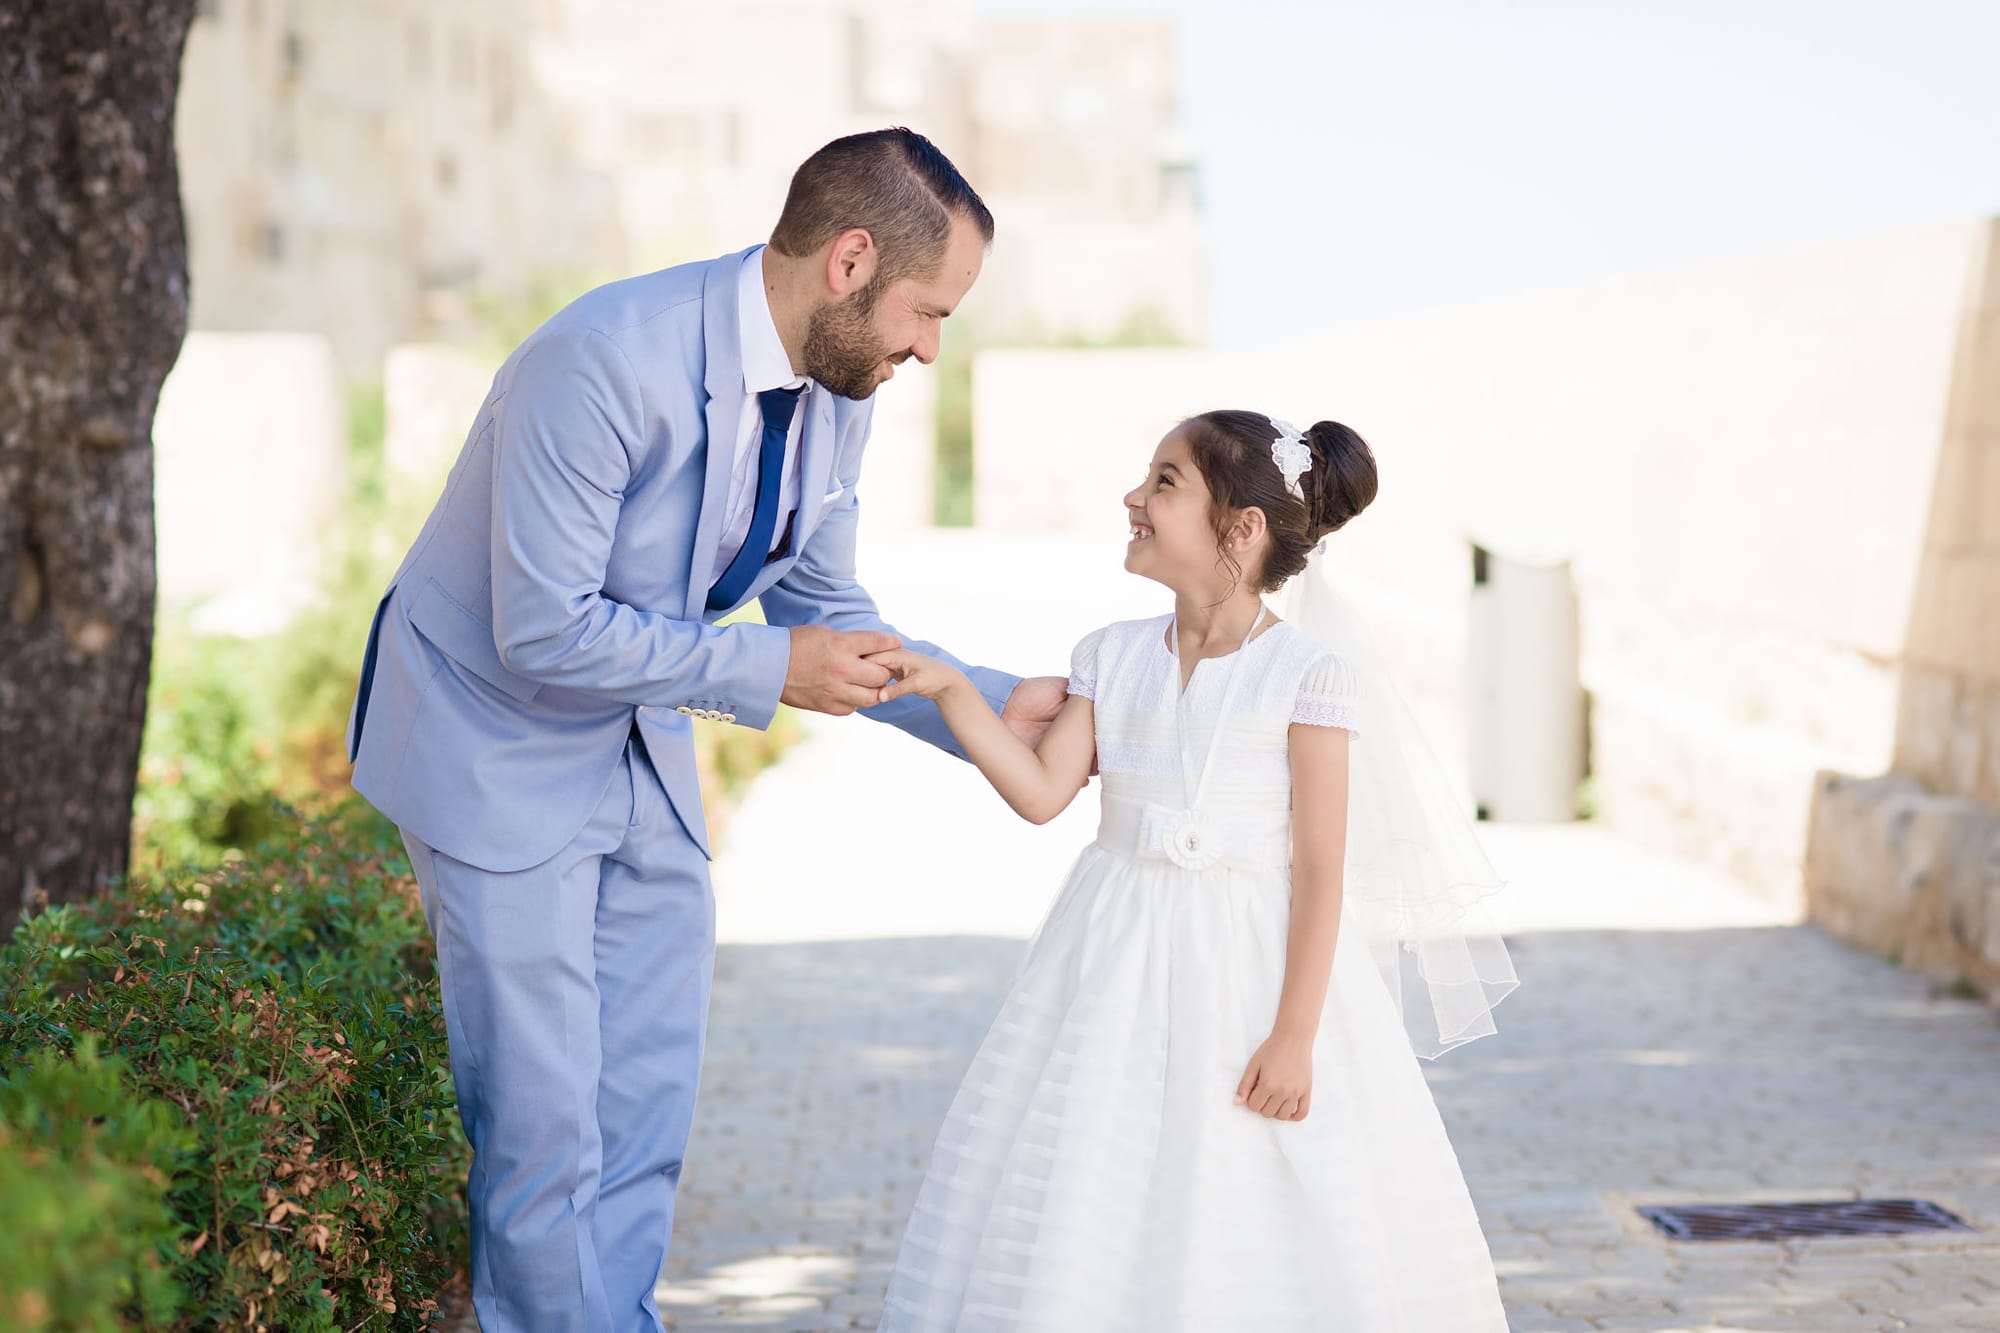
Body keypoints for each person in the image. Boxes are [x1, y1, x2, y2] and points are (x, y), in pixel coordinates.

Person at [341, 128, 1068, 1333]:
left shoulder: (839, 395)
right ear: (848, 262)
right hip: (492, 741)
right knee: (541, 1129)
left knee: (640, 1116)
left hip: (642, 747)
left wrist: (981, 696)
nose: (929, 349)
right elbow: (545, 630)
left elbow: (823, 611)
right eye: (928, 311)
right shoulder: (599, 360)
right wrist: (767, 666)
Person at [866, 410, 1518, 1330]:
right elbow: (1045, 791)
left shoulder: (1305, 674)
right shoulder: (1110, 655)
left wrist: (1294, 1037)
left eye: (1165, 482)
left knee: (1244, 1169)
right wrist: (951, 689)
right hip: (1111, 955)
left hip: (1250, 966)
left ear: (1240, 529)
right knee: (1097, 1159)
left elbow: (1324, 871)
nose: (1135, 497)